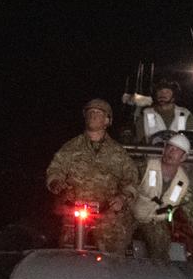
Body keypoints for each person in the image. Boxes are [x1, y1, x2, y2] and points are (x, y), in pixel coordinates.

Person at [44, 98, 140, 255]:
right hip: (74, 209)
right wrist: (56, 183)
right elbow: (55, 170)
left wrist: (122, 198)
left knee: (114, 251)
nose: (93, 115)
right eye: (90, 112)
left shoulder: (118, 152)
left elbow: (131, 180)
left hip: (106, 211)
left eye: (98, 113)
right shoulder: (70, 147)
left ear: (107, 120)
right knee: (66, 253)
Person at [133, 133, 193, 263]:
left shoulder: (183, 184)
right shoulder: (145, 167)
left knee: (161, 245)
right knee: (114, 235)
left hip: (154, 221)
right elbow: (125, 184)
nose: (170, 152)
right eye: (169, 147)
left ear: (184, 157)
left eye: (176, 150)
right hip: (131, 214)